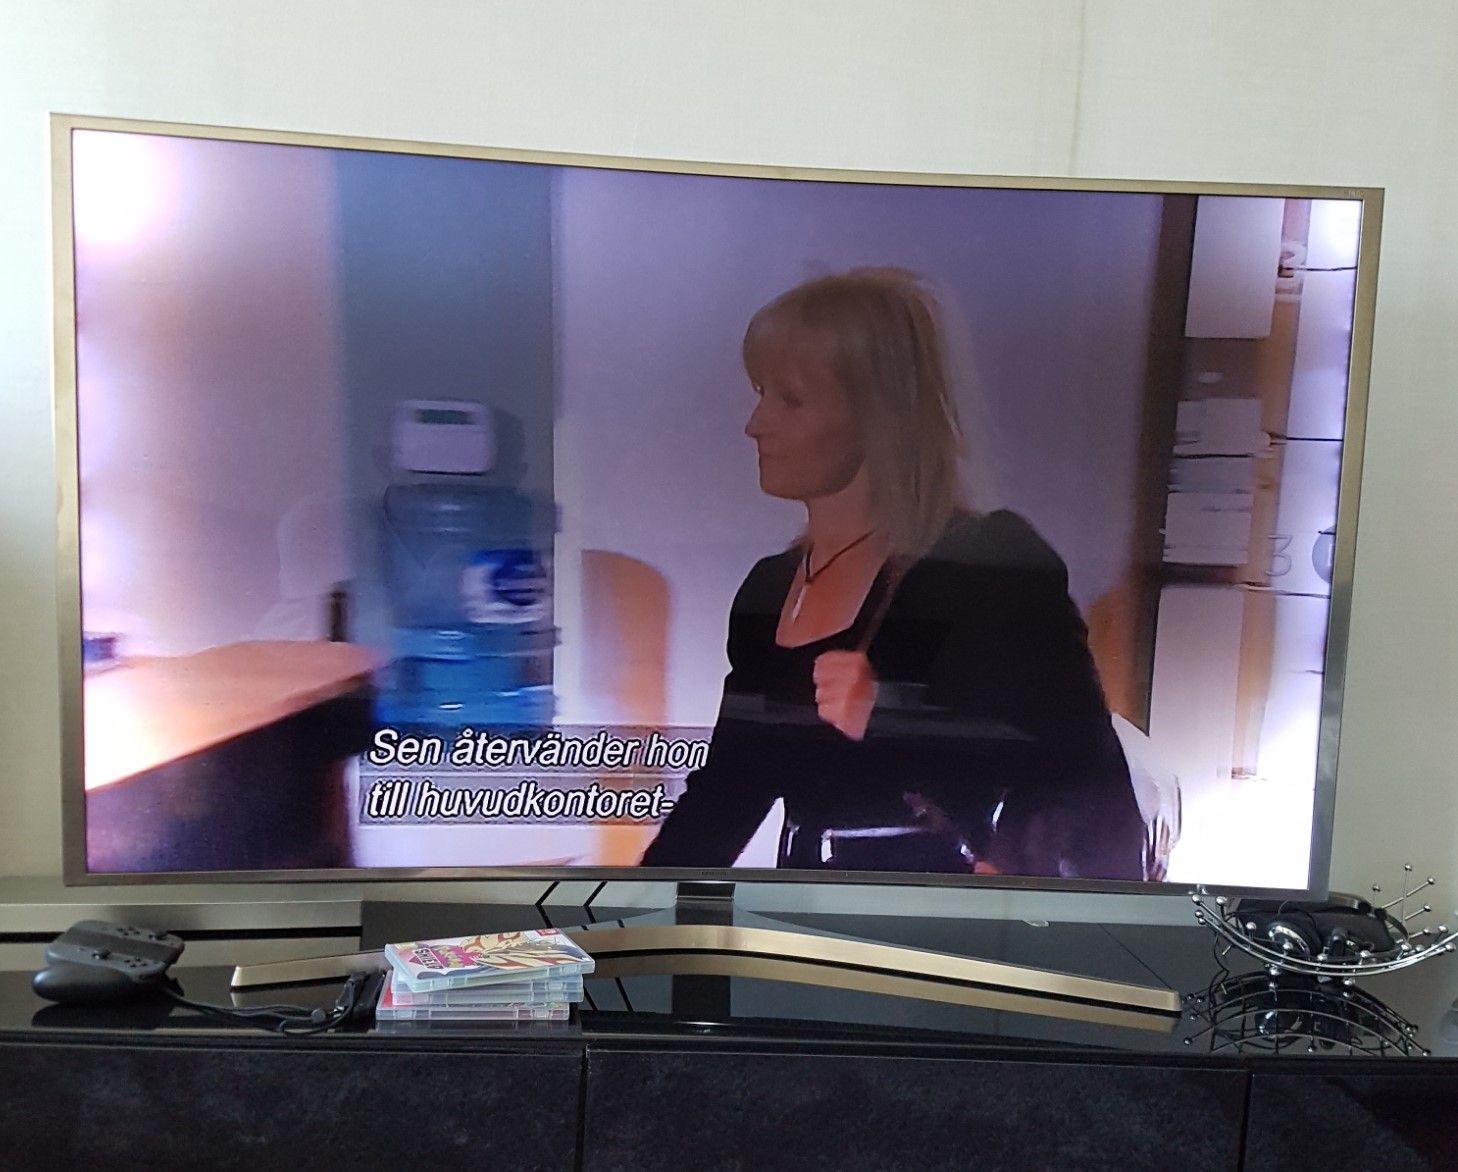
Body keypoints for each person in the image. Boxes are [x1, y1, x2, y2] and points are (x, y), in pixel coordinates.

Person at [640, 268, 1145, 879]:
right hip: (799, 916)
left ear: (878, 414)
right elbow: (727, 792)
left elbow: (1076, 769)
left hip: (937, 922)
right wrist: (620, 910)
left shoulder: (986, 562)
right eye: (761, 393)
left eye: (790, 399)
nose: (756, 424)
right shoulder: (769, 591)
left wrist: (891, 717)